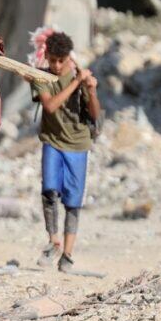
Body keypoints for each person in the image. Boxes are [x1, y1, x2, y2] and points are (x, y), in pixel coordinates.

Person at [31, 31, 101, 273]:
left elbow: (93, 114)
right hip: (52, 141)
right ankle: (54, 241)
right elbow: (49, 106)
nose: (57, 65)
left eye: (61, 60)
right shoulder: (41, 77)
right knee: (49, 191)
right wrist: (75, 81)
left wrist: (90, 89)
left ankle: (68, 256)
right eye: (53, 60)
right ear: (47, 57)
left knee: (73, 202)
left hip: (78, 145)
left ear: (68, 57)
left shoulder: (80, 77)